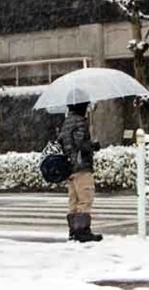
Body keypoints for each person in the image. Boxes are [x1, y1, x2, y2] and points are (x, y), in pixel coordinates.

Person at [58, 99, 102, 243]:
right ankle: (82, 231)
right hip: (81, 165)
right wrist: (93, 145)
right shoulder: (80, 122)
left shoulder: (66, 122)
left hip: (69, 167)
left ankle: (73, 231)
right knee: (85, 197)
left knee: (74, 200)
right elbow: (80, 143)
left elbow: (62, 142)